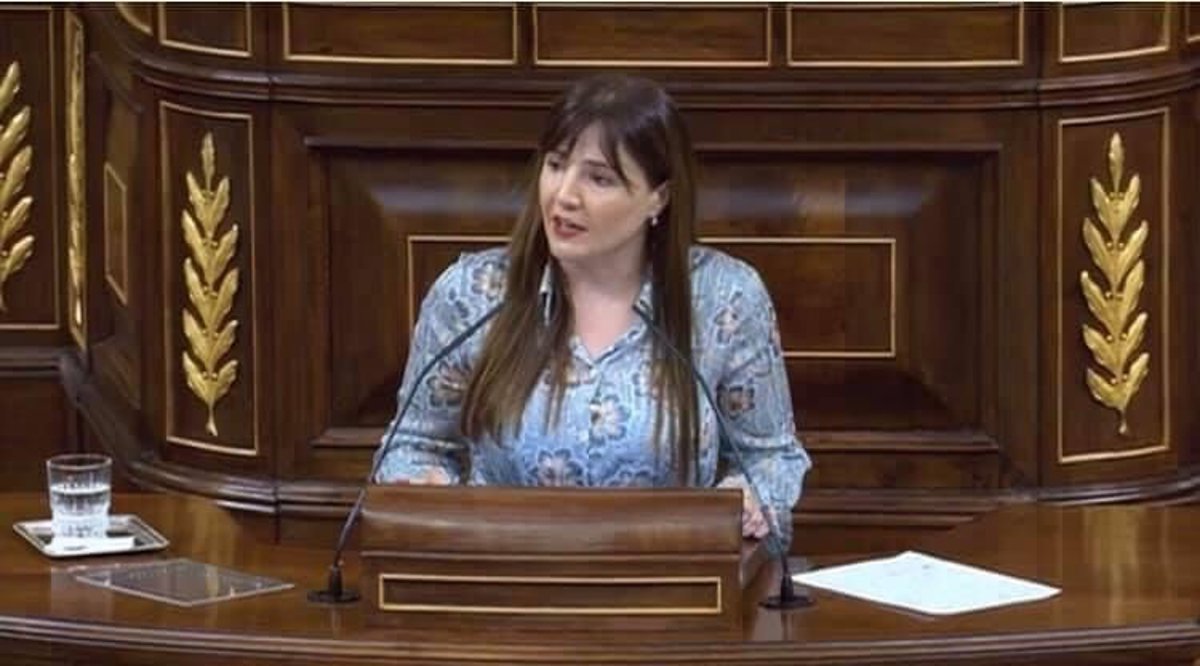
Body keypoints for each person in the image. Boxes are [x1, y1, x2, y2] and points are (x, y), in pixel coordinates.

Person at [374, 73, 811, 544]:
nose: (564, 196)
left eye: (599, 178)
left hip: (669, 575)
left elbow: (772, 458)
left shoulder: (725, 298)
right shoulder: (471, 295)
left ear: (658, 198)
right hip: (504, 571)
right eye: (556, 165)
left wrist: (746, 499)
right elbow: (412, 447)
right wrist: (424, 483)